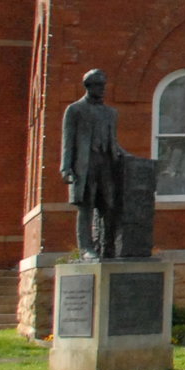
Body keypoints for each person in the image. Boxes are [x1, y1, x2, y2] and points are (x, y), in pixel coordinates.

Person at [60, 69, 125, 258]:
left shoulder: (111, 113)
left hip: (106, 164)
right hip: (85, 165)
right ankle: (86, 248)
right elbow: (68, 141)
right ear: (89, 86)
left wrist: (128, 157)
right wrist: (66, 168)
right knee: (86, 206)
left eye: (104, 85)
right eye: (99, 86)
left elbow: (114, 142)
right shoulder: (75, 110)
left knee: (109, 205)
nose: (103, 89)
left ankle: (107, 246)